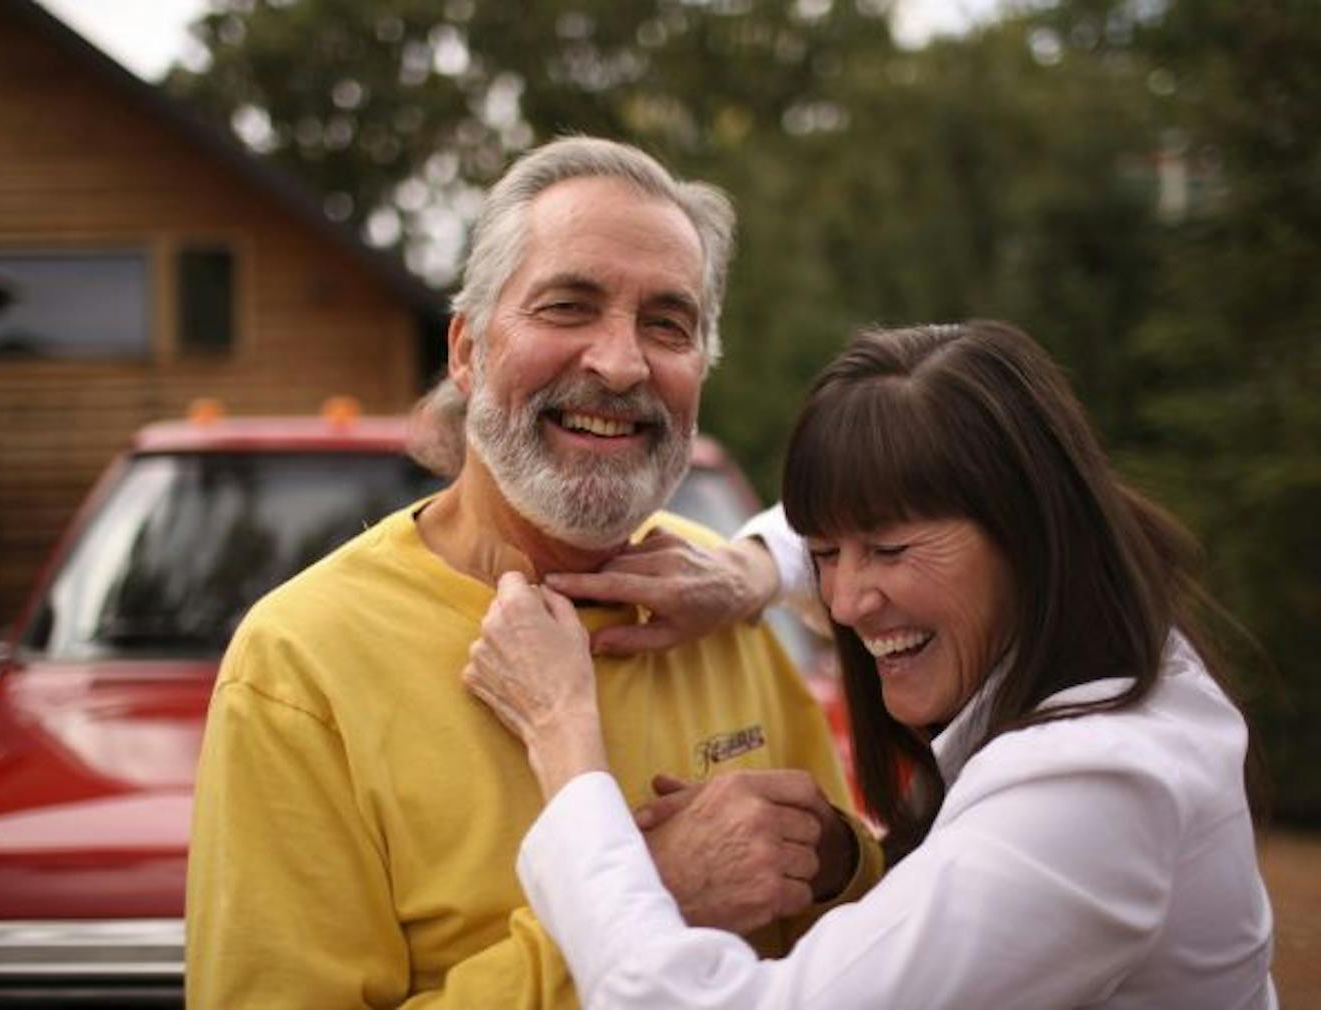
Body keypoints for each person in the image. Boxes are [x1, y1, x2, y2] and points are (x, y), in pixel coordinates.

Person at [185, 136, 881, 1010]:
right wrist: (640, 899)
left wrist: (838, 859)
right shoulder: (300, 664)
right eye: (568, 307)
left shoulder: (716, 606)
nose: (621, 363)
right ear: (468, 350)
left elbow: (857, 953)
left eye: (668, 324)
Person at [464, 320, 1277, 1009]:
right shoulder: (1116, 654)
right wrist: (753, 570)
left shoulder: (1097, 787)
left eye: (887, 551)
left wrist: (565, 738)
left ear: (1031, 532)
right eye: (827, 556)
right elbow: (855, 512)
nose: (847, 605)